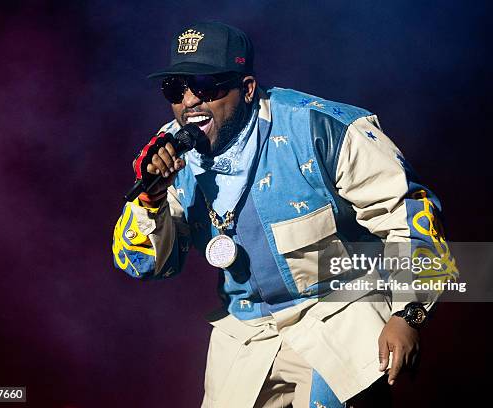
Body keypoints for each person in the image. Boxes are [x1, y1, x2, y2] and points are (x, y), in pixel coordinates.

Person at [112, 21, 458, 408]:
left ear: (246, 89)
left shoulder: (321, 128)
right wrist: (151, 199)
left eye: (207, 86)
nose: (190, 100)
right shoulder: (170, 156)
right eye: (175, 88)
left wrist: (407, 314)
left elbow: (408, 213)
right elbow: (145, 264)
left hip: (338, 314)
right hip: (247, 332)